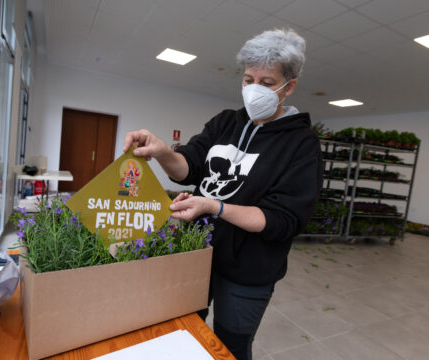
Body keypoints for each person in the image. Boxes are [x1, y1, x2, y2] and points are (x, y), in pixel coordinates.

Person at [123, 28, 323, 360]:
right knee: (182, 332)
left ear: (290, 86)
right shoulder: (226, 122)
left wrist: (214, 206)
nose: (255, 89)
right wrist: (161, 152)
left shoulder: (301, 144)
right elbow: (189, 167)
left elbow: (282, 219)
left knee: (230, 348)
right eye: (248, 79)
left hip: (248, 274)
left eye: (268, 82)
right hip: (197, 257)